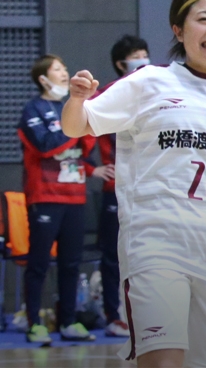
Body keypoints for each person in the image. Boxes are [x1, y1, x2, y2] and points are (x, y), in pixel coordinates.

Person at [60, 0, 206, 367]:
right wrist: (78, 99)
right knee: (163, 360)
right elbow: (76, 126)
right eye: (204, 19)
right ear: (178, 30)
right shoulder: (150, 82)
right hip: (156, 246)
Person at [16, 54, 96, 344]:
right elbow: (45, 146)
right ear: (43, 78)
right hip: (45, 196)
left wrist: (82, 121)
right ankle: (35, 323)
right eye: (57, 69)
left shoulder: (70, 107)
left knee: (71, 264)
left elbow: (86, 146)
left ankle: (68, 322)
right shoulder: (33, 110)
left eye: (64, 68)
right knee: (38, 263)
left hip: (75, 195)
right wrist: (73, 128)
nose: (64, 73)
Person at [93, 35, 151, 339]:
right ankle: (114, 316)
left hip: (151, 188)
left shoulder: (157, 90)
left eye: (144, 54)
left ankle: (146, 314)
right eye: (135, 56)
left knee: (150, 254)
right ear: (120, 63)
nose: (142, 60)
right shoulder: (107, 94)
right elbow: (79, 134)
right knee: (113, 256)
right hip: (117, 188)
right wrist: (92, 169)